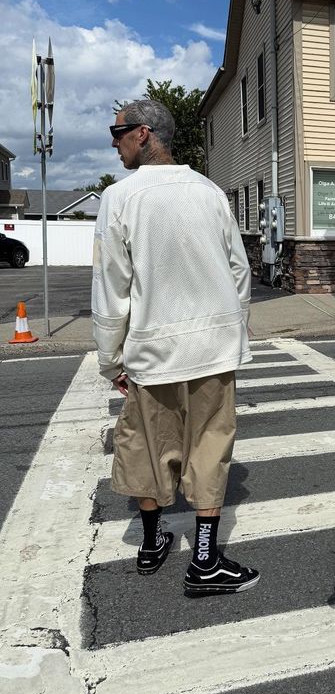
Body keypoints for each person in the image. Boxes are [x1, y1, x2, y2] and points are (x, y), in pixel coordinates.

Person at [91, 99, 260, 598]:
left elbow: (110, 287)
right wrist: (233, 328)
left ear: (143, 134)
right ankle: (205, 560)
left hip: (151, 349)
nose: (114, 143)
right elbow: (239, 270)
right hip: (214, 345)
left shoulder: (118, 199)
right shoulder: (210, 192)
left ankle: (151, 544)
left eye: (117, 133)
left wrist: (110, 360)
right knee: (210, 446)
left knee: (146, 447)